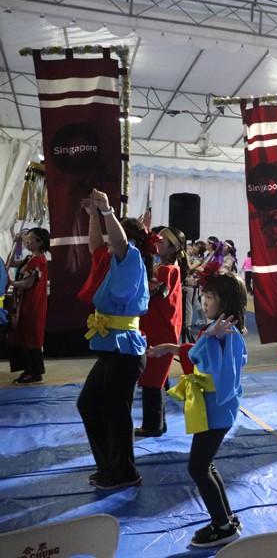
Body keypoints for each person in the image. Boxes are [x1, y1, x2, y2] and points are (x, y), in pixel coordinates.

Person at [147, 272, 247, 547]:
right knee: (205, 465)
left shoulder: (225, 333)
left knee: (198, 467)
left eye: (210, 297)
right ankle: (226, 518)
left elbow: (198, 357)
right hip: (214, 410)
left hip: (216, 411)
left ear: (225, 301)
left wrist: (207, 338)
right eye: (204, 296)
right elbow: (197, 351)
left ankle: (223, 526)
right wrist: (170, 348)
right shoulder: (218, 331)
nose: (204, 301)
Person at [76, 189, 150, 491]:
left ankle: (124, 472)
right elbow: (96, 246)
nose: (109, 241)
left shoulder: (131, 257)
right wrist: (94, 216)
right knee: (89, 404)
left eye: (114, 234)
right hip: (113, 348)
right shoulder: (110, 263)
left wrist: (107, 211)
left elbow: (118, 242)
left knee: (115, 412)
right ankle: (109, 466)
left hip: (126, 349)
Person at [135, 227, 188, 437]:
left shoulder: (167, 270)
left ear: (173, 248)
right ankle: (158, 423)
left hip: (160, 330)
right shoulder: (169, 268)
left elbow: (153, 290)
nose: (157, 242)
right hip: (162, 327)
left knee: (152, 378)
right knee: (156, 378)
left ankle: (152, 425)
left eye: (162, 241)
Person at [7, 228, 50, 384]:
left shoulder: (39, 260)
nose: (27, 240)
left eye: (30, 238)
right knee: (24, 337)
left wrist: (11, 283)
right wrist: (16, 243)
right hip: (23, 304)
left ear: (39, 242)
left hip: (33, 305)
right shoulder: (29, 258)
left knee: (32, 337)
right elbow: (10, 263)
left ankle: (35, 372)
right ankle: (28, 369)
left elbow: (28, 283)